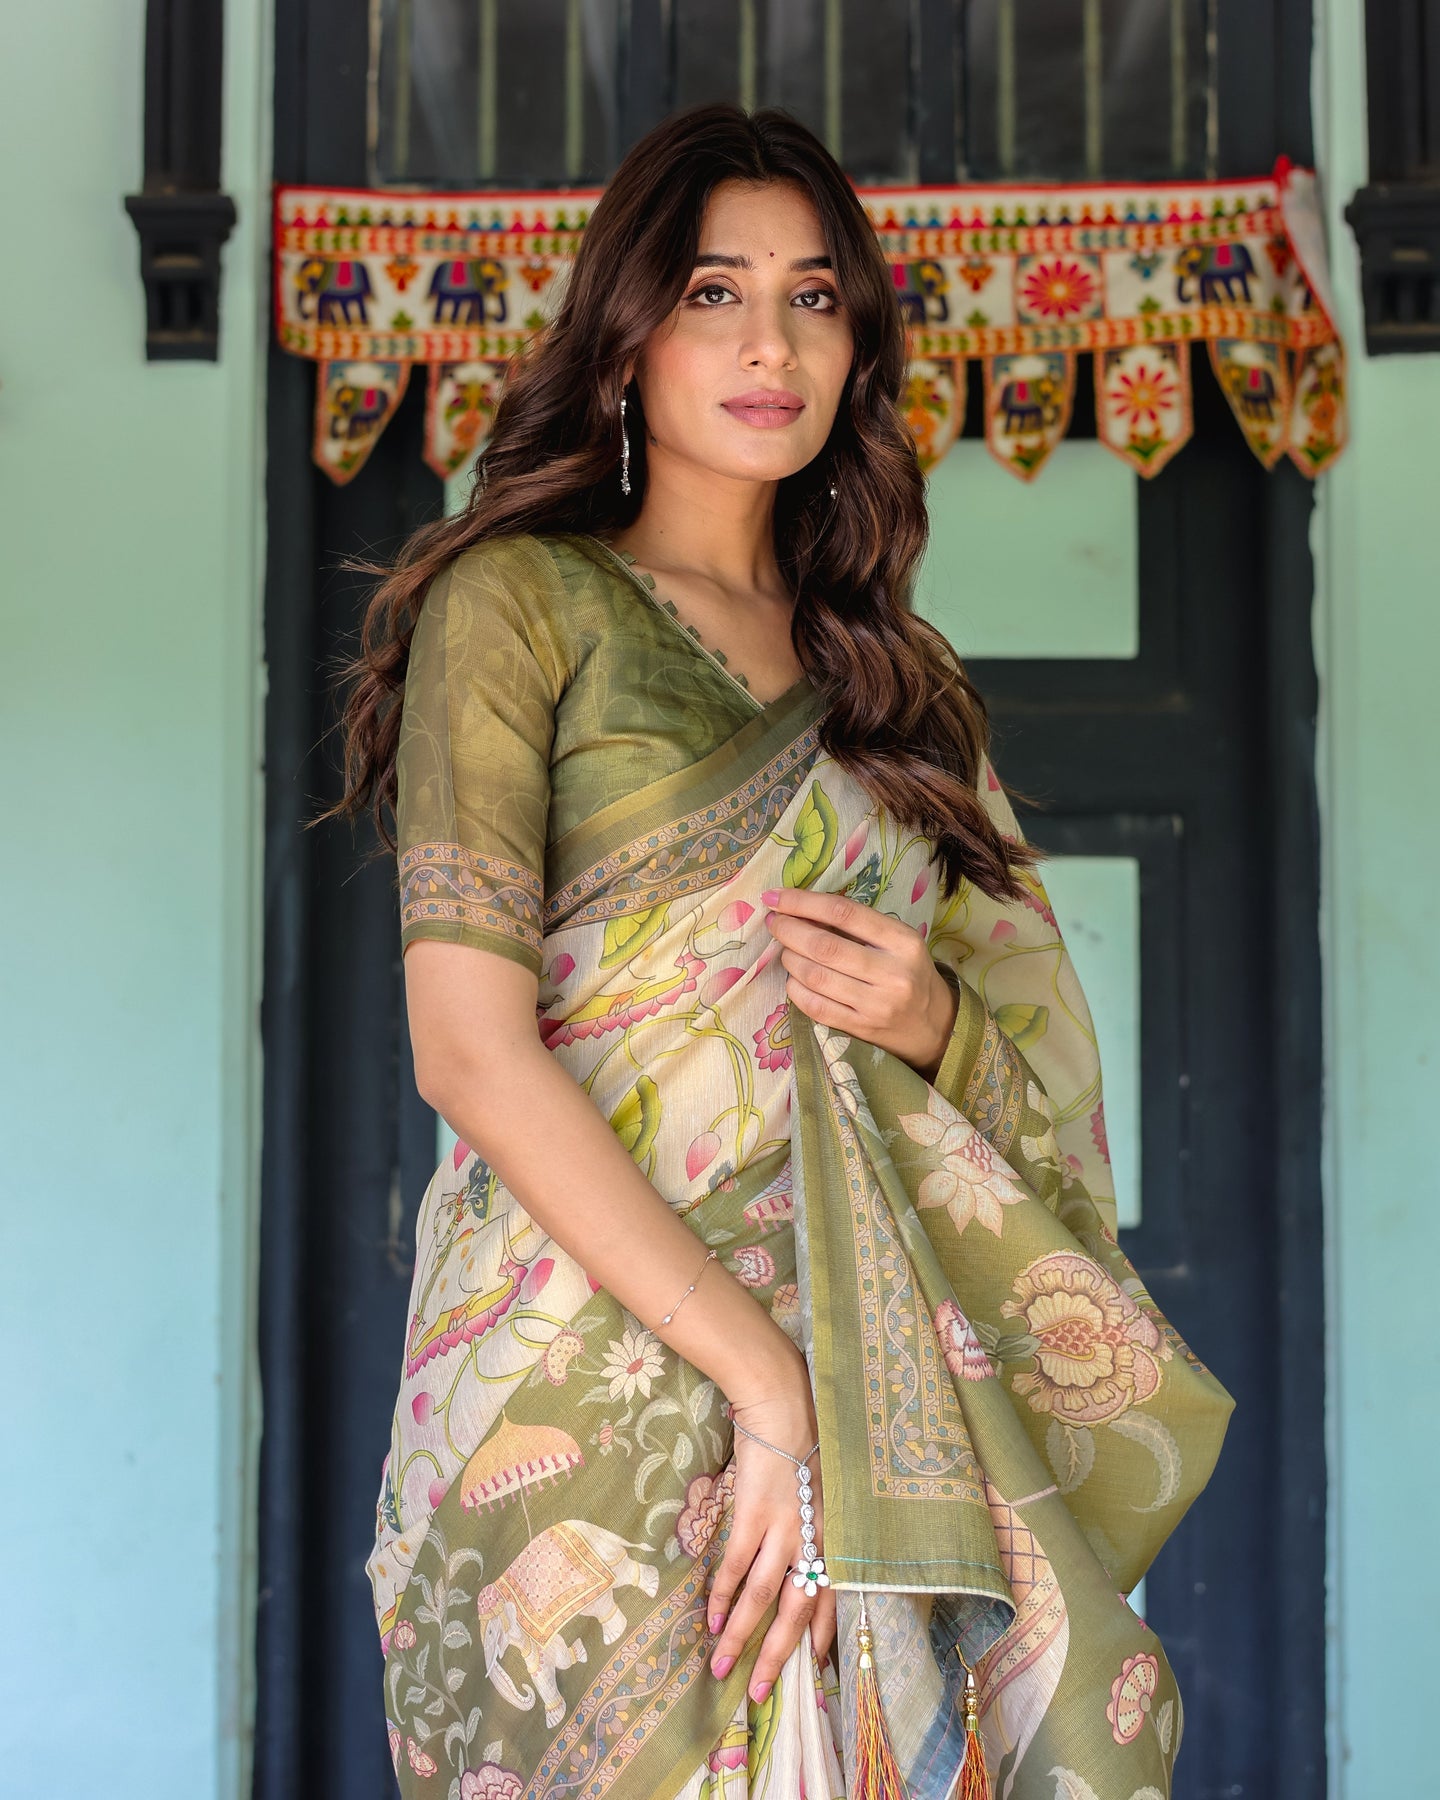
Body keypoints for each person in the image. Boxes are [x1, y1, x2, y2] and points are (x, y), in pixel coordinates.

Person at [322, 100, 1234, 1800]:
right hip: (577, 1378)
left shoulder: (899, 679)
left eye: (813, 297)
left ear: (858, 343)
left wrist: (933, 1018)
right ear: (626, 334)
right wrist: (771, 1392)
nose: (771, 345)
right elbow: (467, 1050)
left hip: (883, 1374)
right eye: (713, 292)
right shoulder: (518, 604)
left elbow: (1026, 1037)